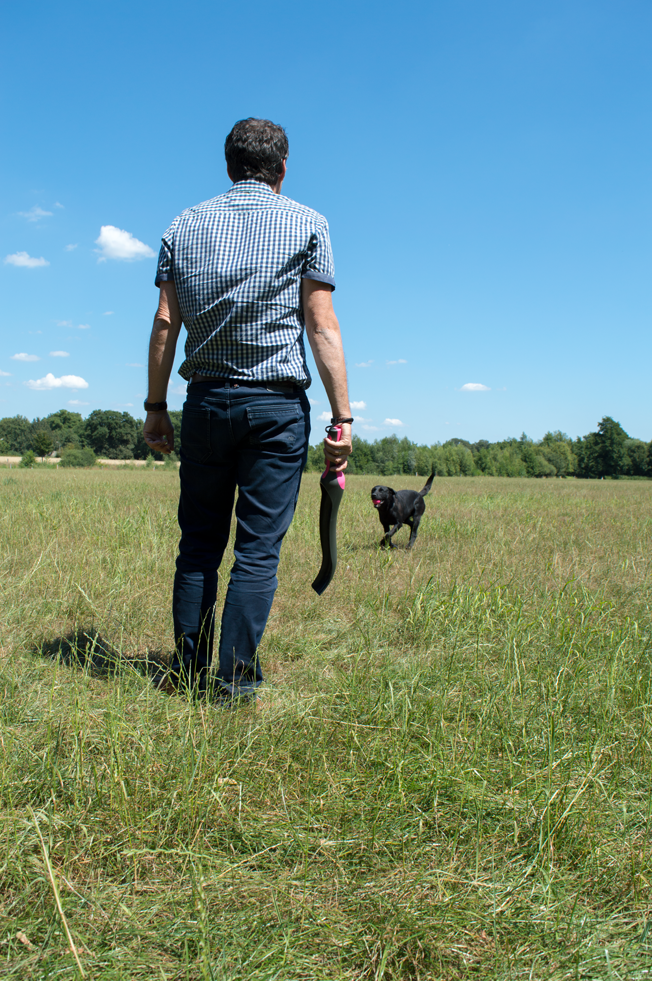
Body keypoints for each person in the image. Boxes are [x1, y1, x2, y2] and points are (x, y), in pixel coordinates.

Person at [143, 117, 352, 703]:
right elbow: (321, 322)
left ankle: (185, 674)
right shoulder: (308, 222)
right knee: (257, 550)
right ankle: (233, 685)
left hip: (205, 402)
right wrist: (343, 418)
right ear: (282, 168)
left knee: (199, 545)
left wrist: (155, 406)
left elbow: (165, 323)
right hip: (276, 408)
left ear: (230, 166)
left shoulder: (183, 224)